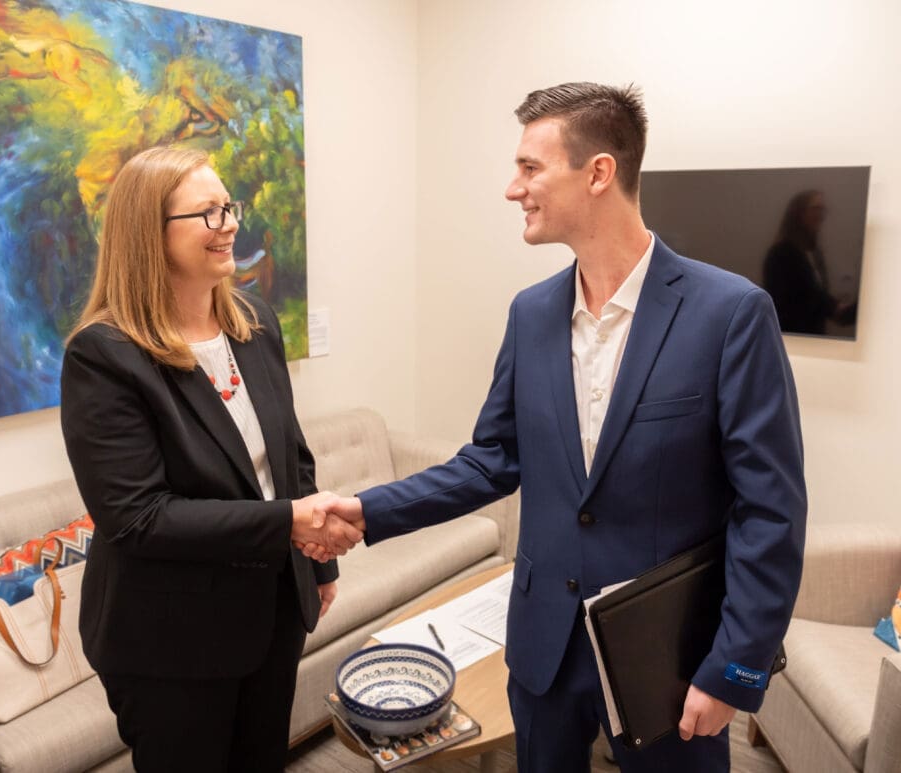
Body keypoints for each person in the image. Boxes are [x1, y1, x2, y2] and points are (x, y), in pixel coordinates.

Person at [306, 83, 806, 772]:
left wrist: (737, 665)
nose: (514, 188)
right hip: (543, 645)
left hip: (665, 653)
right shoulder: (530, 313)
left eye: (530, 167)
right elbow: (491, 460)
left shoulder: (731, 314)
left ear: (598, 171)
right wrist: (366, 510)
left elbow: (770, 510)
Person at [60, 145, 362, 772]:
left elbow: (288, 455)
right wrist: (288, 524)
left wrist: (318, 564)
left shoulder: (253, 322)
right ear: (150, 233)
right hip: (170, 640)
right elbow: (138, 517)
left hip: (270, 613)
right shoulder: (104, 356)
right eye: (207, 213)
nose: (228, 224)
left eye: (228, 207)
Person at [762, 189, 856, 335]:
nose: (821, 216)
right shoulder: (780, 254)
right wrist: (835, 308)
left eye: (823, 210)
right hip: (791, 342)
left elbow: (818, 297)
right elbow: (790, 305)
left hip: (814, 340)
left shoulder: (814, 254)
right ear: (798, 213)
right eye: (816, 208)